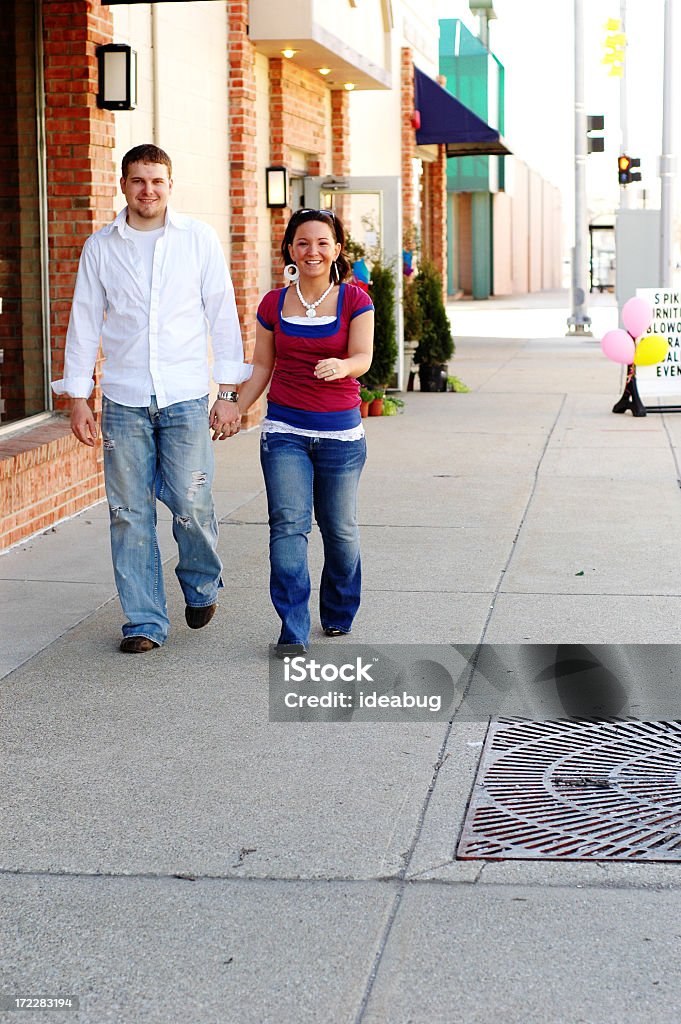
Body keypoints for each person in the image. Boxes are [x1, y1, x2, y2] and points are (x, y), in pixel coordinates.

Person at [52, 144, 252, 653]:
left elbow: (223, 317)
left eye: (157, 181)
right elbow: (82, 324)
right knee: (129, 511)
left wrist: (229, 393)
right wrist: (79, 397)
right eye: (138, 181)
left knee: (191, 500)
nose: (148, 191)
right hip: (123, 400)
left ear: (170, 184)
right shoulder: (101, 247)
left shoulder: (197, 240)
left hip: (185, 397)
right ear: (123, 185)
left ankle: (203, 580)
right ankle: (144, 621)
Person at [234, 209, 374, 655]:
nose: (312, 251)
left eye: (321, 243)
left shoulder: (355, 300)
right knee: (288, 528)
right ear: (290, 250)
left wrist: (344, 365)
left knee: (340, 531)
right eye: (302, 243)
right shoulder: (273, 304)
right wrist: (234, 407)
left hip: (341, 436)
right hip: (284, 432)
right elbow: (261, 367)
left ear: (337, 249)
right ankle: (292, 627)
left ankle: (337, 611)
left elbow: (363, 356)